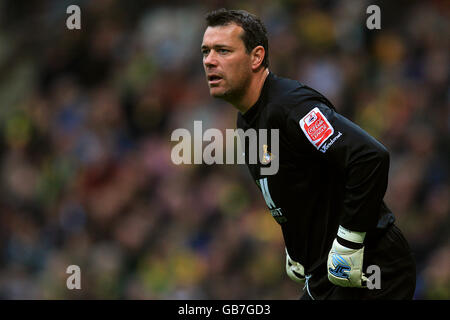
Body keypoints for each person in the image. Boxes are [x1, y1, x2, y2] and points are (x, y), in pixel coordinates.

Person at [201, 8, 416, 300]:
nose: (210, 61)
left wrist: (349, 241)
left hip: (370, 269)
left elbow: (369, 156)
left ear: (256, 57)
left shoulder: (292, 107)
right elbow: (290, 190)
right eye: (206, 51)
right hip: (323, 276)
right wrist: (296, 246)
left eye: (223, 51)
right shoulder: (247, 120)